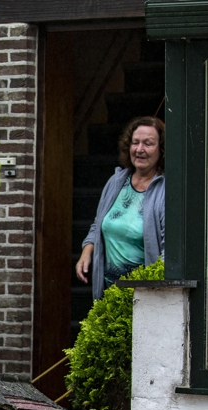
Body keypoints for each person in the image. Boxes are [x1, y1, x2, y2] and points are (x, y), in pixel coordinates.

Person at [75, 116, 166, 299]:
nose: (140, 149)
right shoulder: (116, 181)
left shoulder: (165, 190)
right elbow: (98, 223)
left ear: (161, 149)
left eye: (148, 144)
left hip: (145, 297)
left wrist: (153, 292)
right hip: (108, 294)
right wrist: (87, 248)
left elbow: (168, 251)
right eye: (135, 143)